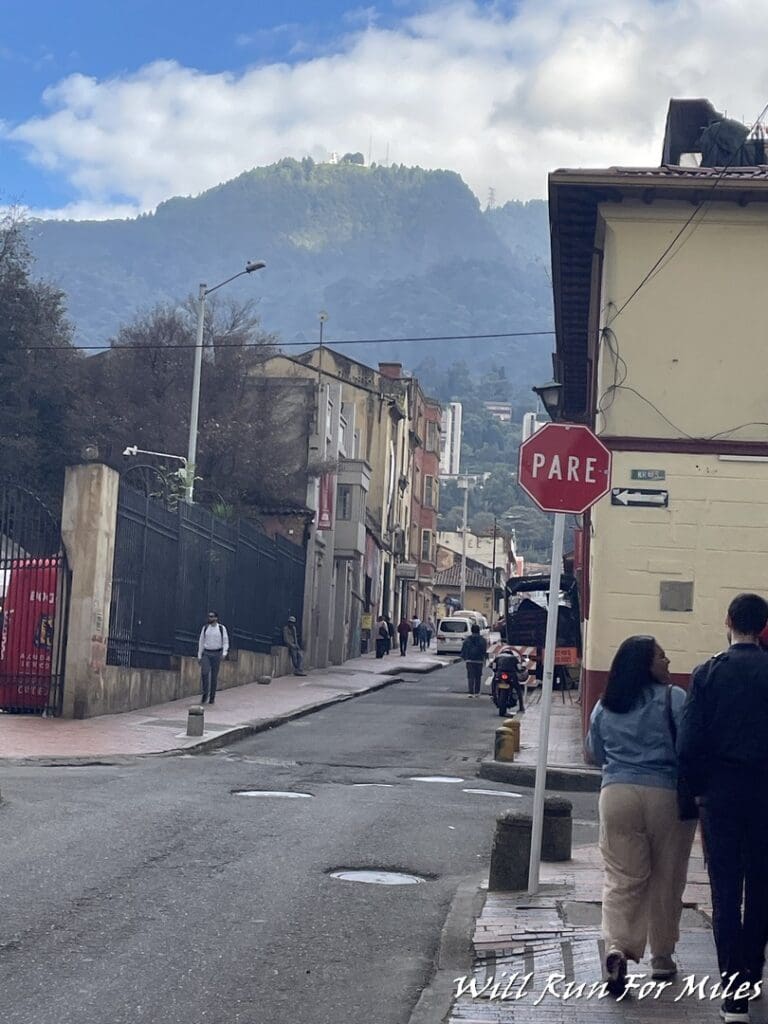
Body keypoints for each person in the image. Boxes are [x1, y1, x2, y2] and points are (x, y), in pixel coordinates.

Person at [586, 635, 696, 998]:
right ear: (647, 664)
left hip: (616, 793)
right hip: (666, 794)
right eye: (662, 657)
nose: (667, 662)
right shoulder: (674, 698)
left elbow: (593, 753)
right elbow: (688, 747)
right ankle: (662, 958)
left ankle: (618, 948)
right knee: (668, 877)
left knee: (622, 878)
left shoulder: (606, 704)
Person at [678, 593, 768, 1022]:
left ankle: (734, 996)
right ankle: (753, 970)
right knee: (763, 888)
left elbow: (689, 743)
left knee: (726, 892)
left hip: (722, 796)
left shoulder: (708, 674)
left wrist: (697, 792)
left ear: (728, 620)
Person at [197, 610, 229, 704]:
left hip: (217, 653)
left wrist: (224, 653)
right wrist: (199, 655)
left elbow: (225, 641)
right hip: (207, 653)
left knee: (214, 676)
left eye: (211, 616)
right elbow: (201, 642)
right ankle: (205, 693)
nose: (209, 618)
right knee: (205, 673)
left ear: (216, 618)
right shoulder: (205, 628)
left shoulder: (221, 628)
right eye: (209, 616)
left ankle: (212, 697)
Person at [460, 623, 488, 698]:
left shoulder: (467, 639)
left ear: (471, 630)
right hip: (479, 660)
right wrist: (485, 658)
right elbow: (485, 650)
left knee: (470, 676)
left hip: (470, 660)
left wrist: (464, 657)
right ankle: (477, 692)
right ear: (479, 631)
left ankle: (470, 692)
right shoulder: (483, 640)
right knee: (478, 676)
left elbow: (463, 649)